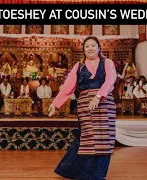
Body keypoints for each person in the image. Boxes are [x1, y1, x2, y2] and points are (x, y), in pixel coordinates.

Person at [48, 36, 117, 180]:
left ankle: (98, 175)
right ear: (83, 50)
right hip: (85, 105)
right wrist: (55, 104)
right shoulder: (78, 66)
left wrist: (98, 96)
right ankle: (82, 173)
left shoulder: (107, 62)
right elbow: (68, 87)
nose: (90, 48)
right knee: (87, 138)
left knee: (104, 139)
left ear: (99, 48)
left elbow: (111, 80)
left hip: (104, 104)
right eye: (87, 46)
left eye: (93, 45)